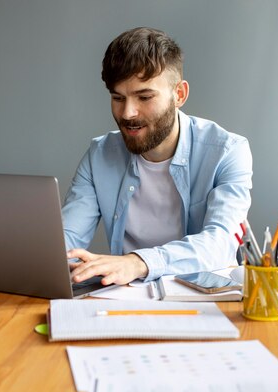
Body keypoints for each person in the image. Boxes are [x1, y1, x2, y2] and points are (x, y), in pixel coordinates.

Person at [62, 27, 252, 287]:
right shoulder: (100, 155)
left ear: (179, 95)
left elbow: (219, 244)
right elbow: (67, 241)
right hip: (126, 300)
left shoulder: (227, 152)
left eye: (144, 96)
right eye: (118, 97)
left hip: (204, 301)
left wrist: (137, 262)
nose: (128, 113)